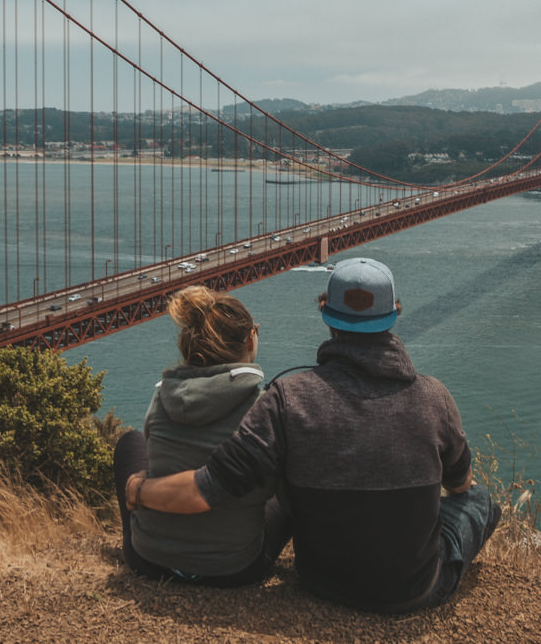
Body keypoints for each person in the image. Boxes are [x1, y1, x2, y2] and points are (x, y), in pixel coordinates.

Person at [125, 257, 500, 612]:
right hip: (415, 589)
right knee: (479, 499)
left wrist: (138, 489)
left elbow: (209, 487)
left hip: (321, 582)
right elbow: (461, 484)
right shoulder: (435, 396)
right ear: (395, 314)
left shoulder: (288, 398)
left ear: (324, 310)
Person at [114, 285, 290, 585]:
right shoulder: (263, 408)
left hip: (149, 560)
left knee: (131, 441)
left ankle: (145, 531)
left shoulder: (161, 398)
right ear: (250, 338)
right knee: (290, 487)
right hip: (234, 570)